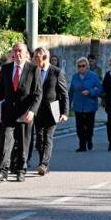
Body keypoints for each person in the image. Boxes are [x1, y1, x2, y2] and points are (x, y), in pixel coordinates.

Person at [0, 43, 42, 182]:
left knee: (23, 143)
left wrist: (32, 111)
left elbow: (38, 94)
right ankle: (3, 171)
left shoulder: (33, 69)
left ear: (26, 54)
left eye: (20, 51)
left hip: (25, 113)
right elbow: (1, 93)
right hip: (8, 113)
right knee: (6, 142)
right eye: (15, 51)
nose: (17, 53)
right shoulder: (6, 69)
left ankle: (21, 169)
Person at [32, 47, 69, 176]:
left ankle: (44, 164)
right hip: (37, 110)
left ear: (44, 57)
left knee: (48, 137)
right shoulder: (33, 71)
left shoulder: (57, 72)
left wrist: (65, 112)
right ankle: (43, 162)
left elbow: (64, 94)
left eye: (37, 57)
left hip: (52, 109)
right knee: (39, 138)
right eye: (34, 57)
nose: (34, 59)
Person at [69, 57, 102, 152]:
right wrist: (68, 103)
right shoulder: (75, 77)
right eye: (79, 66)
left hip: (90, 105)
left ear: (87, 66)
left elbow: (100, 89)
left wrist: (90, 92)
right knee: (79, 127)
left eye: (83, 66)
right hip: (78, 105)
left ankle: (89, 139)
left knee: (89, 127)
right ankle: (82, 145)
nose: (81, 68)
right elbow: (71, 91)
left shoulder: (93, 76)